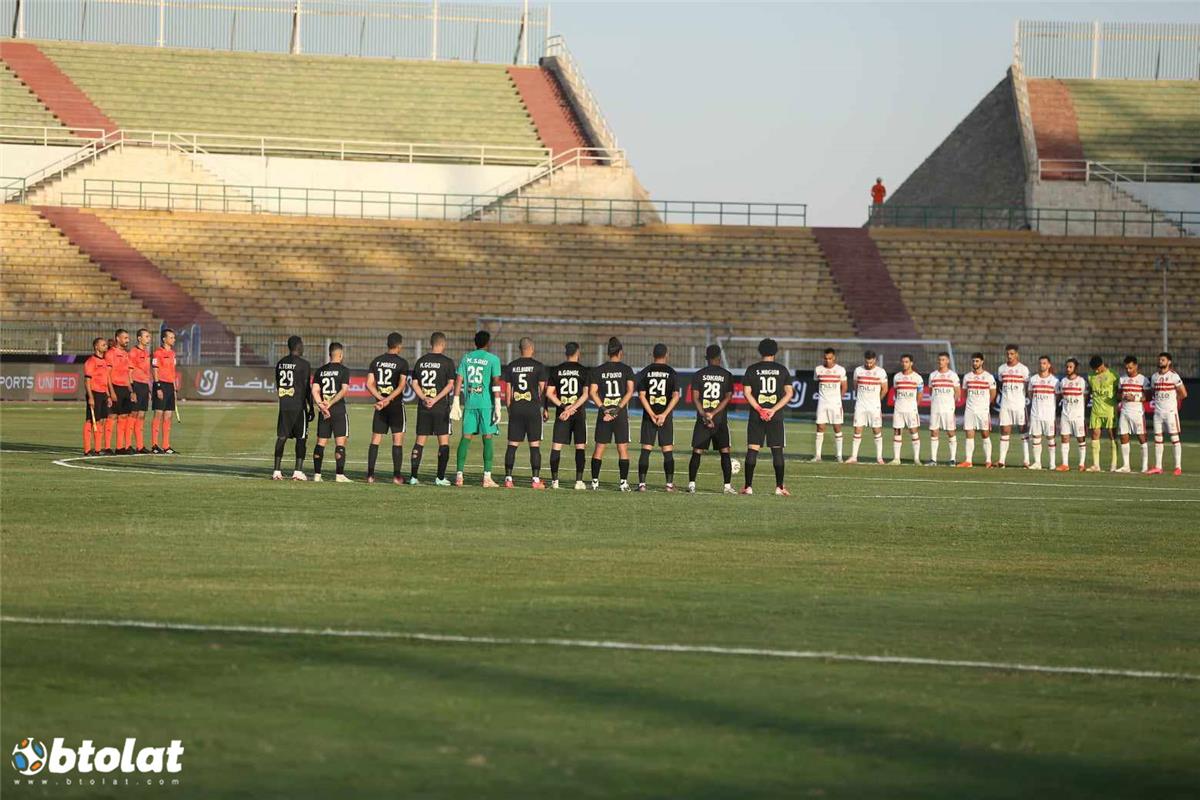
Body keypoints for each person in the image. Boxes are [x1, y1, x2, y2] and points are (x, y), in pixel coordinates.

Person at [741, 338, 794, 496]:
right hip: (775, 416)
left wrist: (759, 409)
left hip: (757, 416)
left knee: (753, 449)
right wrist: (772, 410)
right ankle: (779, 487)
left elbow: (746, 393)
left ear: (759, 350)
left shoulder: (752, 369)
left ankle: (748, 487)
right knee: (777, 451)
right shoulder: (782, 369)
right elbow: (789, 393)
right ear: (775, 351)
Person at [453, 331, 504, 487]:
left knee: (465, 438)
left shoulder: (466, 358)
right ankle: (487, 477)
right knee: (487, 438)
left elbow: (459, 379)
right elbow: (495, 382)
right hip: (486, 405)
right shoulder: (493, 359)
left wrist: (455, 400)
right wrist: (497, 403)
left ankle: (459, 476)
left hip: (470, 404)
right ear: (488, 343)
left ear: (475, 343)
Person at [409, 332, 457, 486]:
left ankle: (413, 477)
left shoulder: (421, 361)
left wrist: (424, 398)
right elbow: (450, 385)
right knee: (443, 442)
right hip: (440, 408)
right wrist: (436, 399)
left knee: (420, 441)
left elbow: (414, 383)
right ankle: (440, 478)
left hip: (424, 407)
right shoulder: (447, 362)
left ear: (431, 343)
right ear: (443, 344)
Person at [588, 337, 636, 491]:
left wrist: (603, 408)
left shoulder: (598, 370)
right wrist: (617, 409)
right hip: (619, 414)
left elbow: (592, 393)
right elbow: (630, 391)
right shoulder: (626, 369)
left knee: (599, 449)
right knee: (622, 449)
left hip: (604, 414)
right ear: (620, 352)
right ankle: (623, 483)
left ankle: (594, 482)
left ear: (608, 352)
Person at [688, 344, 735, 494]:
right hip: (720, 421)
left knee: (697, 451)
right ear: (719, 358)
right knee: (725, 452)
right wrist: (713, 414)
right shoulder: (727, 374)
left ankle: (692, 484)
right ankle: (727, 486)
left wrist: (705, 414)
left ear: (706, 358)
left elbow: (695, 398)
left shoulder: (698, 374)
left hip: (703, 420)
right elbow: (728, 397)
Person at [502, 337, 548, 489]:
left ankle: (508, 479)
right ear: (532, 348)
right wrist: (545, 408)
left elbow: (508, 391)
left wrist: (510, 408)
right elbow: (543, 390)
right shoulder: (539, 366)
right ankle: (535, 480)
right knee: (534, 446)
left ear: (519, 349)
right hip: (533, 409)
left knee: (512, 445)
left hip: (516, 409)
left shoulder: (511, 366)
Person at [365, 332, 409, 485]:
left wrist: (380, 399)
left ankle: (370, 475)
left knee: (375, 439)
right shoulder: (402, 363)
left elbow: (369, 384)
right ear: (399, 346)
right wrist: (388, 400)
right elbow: (401, 386)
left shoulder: (376, 361)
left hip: (380, 406)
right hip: (395, 406)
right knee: (397, 440)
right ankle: (397, 477)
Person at [545, 342, 591, 490]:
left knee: (556, 447)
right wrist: (573, 408)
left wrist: (565, 407)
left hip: (562, 413)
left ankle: (555, 481)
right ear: (578, 352)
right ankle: (578, 482)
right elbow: (585, 395)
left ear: (566, 353)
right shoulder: (584, 370)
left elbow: (549, 393)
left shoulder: (556, 370)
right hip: (577, 414)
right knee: (580, 447)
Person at [636, 343, 681, 492]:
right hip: (665, 417)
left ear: (653, 355)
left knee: (646, 449)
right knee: (667, 450)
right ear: (666, 354)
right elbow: (676, 396)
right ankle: (669, 485)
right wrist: (664, 414)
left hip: (650, 416)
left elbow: (641, 396)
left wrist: (652, 414)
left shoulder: (645, 371)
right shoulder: (671, 372)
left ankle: (642, 484)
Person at [271, 335, 314, 481]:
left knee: (281, 437)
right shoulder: (304, 364)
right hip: (298, 406)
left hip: (284, 405)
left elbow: (279, 384)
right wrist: (311, 408)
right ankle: (298, 471)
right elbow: (307, 388)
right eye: (302, 345)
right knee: (301, 438)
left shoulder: (280, 363)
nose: (303, 347)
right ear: (298, 346)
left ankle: (276, 471)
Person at [311, 342, 352, 483]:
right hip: (338, 410)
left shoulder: (320, 371)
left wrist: (322, 405)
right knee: (340, 443)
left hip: (324, 412)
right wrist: (331, 403)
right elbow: (344, 390)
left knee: (321, 443)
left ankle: (317, 475)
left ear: (330, 354)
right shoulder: (344, 370)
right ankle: (339, 475)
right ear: (340, 355)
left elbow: (314, 391)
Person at [847, 350, 888, 465]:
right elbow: (856, 386)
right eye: (867, 362)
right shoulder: (858, 370)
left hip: (874, 406)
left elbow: (885, 389)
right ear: (864, 360)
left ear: (875, 360)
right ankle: (854, 457)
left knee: (876, 430)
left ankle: (879, 458)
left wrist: (877, 401)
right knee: (857, 429)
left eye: (871, 362)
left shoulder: (881, 372)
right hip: (861, 405)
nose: (869, 365)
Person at [1150, 352, 1187, 476]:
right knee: (1158, 439)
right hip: (1158, 413)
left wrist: (1173, 402)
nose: (1161, 362)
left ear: (1169, 362)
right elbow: (1152, 393)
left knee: (1174, 439)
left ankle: (1178, 467)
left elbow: (1183, 393)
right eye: (1160, 360)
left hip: (1170, 412)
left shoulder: (1174, 376)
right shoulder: (1154, 376)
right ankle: (1158, 467)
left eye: (1163, 360)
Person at [996, 344, 1031, 468]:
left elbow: (1027, 387)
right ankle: (1001, 461)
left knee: (1023, 431)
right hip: (1005, 405)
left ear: (1016, 354)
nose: (1009, 356)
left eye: (1012, 354)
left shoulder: (1023, 369)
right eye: (1007, 354)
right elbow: (1000, 385)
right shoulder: (1001, 369)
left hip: (1019, 405)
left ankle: (1026, 460)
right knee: (1005, 431)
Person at [959, 353, 997, 468]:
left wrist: (985, 404)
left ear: (982, 362)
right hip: (970, 410)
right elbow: (965, 393)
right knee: (969, 434)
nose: (975, 363)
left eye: (977, 361)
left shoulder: (989, 377)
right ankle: (968, 461)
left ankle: (988, 461)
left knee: (985, 434)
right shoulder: (967, 377)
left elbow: (993, 393)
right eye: (973, 361)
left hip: (983, 410)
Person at [811, 348, 848, 463]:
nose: (828, 361)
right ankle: (817, 456)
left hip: (835, 404)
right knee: (820, 428)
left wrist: (838, 399)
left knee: (837, 428)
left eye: (830, 358)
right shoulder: (818, 370)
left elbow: (844, 387)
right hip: (822, 403)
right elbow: (816, 384)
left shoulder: (840, 370)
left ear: (834, 358)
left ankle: (839, 456)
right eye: (826, 358)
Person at [926, 352, 961, 466]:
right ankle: (933, 459)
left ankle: (952, 459)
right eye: (939, 359)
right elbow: (931, 391)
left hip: (948, 409)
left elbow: (957, 393)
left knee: (950, 432)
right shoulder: (933, 375)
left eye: (943, 360)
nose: (941, 362)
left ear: (948, 361)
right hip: (935, 408)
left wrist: (951, 406)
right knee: (934, 432)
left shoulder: (953, 375)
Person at [1117, 355, 1151, 474]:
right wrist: (1122, 396)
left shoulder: (1143, 380)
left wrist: (1134, 397)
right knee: (1123, 436)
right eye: (1126, 368)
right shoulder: (1122, 379)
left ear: (1136, 366)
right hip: (1124, 411)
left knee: (1141, 437)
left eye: (1130, 368)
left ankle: (1145, 466)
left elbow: (1148, 397)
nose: (1128, 370)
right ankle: (1126, 465)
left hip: (1137, 412)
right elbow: (1118, 395)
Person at [889, 354, 923, 465]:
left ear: (911, 363)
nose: (904, 364)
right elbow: (895, 391)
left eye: (907, 362)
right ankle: (896, 459)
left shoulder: (917, 377)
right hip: (899, 409)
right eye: (903, 362)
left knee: (913, 432)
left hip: (911, 410)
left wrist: (915, 405)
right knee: (897, 432)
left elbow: (920, 393)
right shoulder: (897, 377)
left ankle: (916, 459)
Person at [1086, 356, 1119, 472]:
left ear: (1102, 365)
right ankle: (1096, 465)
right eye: (1094, 369)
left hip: (1109, 410)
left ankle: (1114, 464)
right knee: (1094, 435)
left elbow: (1119, 391)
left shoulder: (1113, 375)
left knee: (1112, 436)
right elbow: (1090, 391)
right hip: (1096, 410)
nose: (1095, 371)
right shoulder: (1090, 376)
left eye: (1097, 369)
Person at [151, 328, 180, 454]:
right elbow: (155, 370)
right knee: (158, 414)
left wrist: (174, 388)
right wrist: (158, 387)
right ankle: (154, 445)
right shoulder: (157, 352)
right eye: (171, 337)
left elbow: (173, 372)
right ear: (164, 339)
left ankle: (166, 445)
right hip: (161, 385)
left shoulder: (173, 353)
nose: (174, 339)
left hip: (170, 386)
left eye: (174, 337)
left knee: (168, 416)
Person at [1027, 356, 1059, 470]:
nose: (1042, 365)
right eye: (1040, 363)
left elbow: (1058, 396)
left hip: (1049, 415)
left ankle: (1052, 464)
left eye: (1044, 363)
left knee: (1050, 438)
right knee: (1036, 437)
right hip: (1036, 414)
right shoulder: (1033, 379)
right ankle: (1037, 463)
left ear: (1049, 365)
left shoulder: (1055, 381)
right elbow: (1030, 394)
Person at [105, 329, 133, 454]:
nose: (127, 340)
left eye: (128, 338)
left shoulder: (126, 354)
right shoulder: (110, 353)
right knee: (112, 417)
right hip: (114, 388)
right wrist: (111, 392)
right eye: (125, 338)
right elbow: (107, 375)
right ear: (117, 338)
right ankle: (107, 447)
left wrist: (131, 391)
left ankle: (120, 447)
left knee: (124, 417)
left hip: (125, 389)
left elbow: (127, 374)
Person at [1057, 358, 1088, 472]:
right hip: (1065, 414)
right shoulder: (1063, 381)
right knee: (1065, 438)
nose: (1068, 369)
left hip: (1078, 415)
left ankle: (1081, 464)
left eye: (1070, 367)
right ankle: (1065, 464)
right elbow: (1061, 396)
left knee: (1081, 438)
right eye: (1067, 367)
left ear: (1075, 368)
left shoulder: (1081, 381)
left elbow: (1085, 396)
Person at [82, 337, 110, 456]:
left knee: (101, 421)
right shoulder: (90, 362)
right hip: (94, 393)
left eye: (105, 345)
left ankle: (98, 448)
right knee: (90, 420)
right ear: (96, 347)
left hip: (103, 394)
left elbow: (106, 380)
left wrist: (108, 395)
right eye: (103, 345)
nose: (106, 346)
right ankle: (87, 449)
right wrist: (91, 397)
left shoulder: (104, 362)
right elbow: (87, 381)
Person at [128, 328, 152, 454]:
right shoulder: (133, 352)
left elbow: (147, 372)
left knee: (142, 416)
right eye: (147, 336)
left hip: (144, 385)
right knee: (133, 414)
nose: (149, 338)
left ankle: (140, 445)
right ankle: (127, 445)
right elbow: (129, 371)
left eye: (149, 336)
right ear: (139, 338)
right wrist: (132, 389)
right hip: (136, 385)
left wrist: (149, 388)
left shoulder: (147, 352)